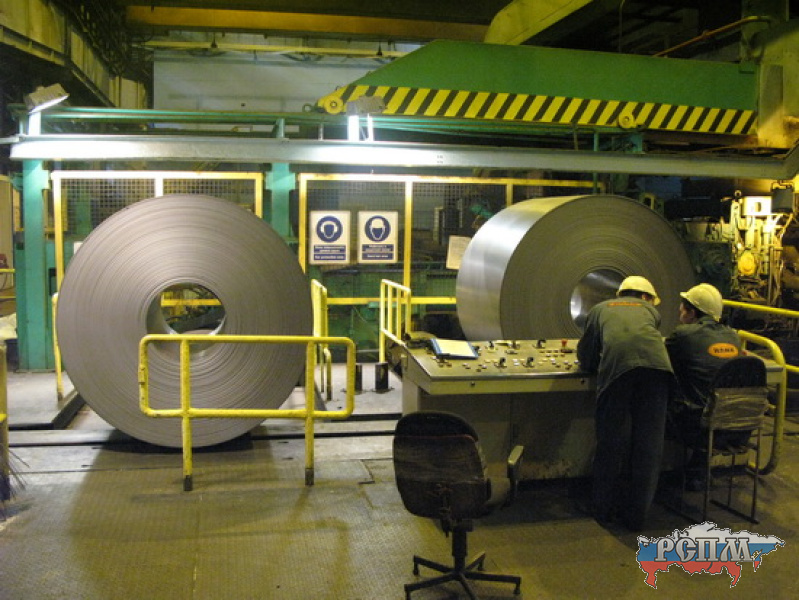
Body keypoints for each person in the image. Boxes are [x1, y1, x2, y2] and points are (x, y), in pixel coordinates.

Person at [577, 276, 674, 531]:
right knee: (648, 448)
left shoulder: (600, 309)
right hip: (658, 373)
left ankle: (602, 510)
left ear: (621, 294)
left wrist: (591, 366)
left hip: (618, 373)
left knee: (610, 442)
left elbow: (587, 352)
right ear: (645, 297)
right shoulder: (651, 312)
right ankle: (636, 518)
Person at [665, 283, 743, 487]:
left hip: (694, 427)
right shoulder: (734, 337)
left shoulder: (683, 335)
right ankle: (696, 472)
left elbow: (661, 361)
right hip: (735, 426)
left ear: (692, 312)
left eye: (683, 307)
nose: (679, 310)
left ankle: (643, 478)